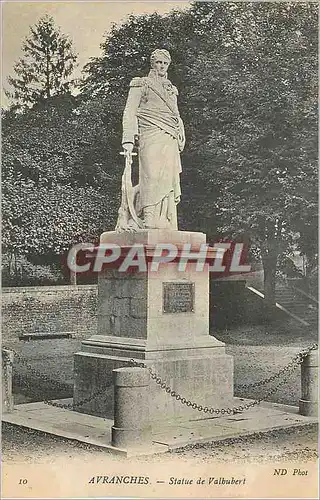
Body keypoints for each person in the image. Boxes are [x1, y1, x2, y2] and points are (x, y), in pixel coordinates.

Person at [115, 48, 185, 231]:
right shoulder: (141, 84)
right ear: (152, 64)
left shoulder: (171, 89)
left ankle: (164, 219)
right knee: (151, 174)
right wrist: (128, 140)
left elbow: (175, 114)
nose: (161, 66)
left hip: (169, 135)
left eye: (165, 63)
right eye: (158, 62)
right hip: (149, 133)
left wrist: (180, 130)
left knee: (168, 179)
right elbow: (129, 111)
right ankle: (148, 217)